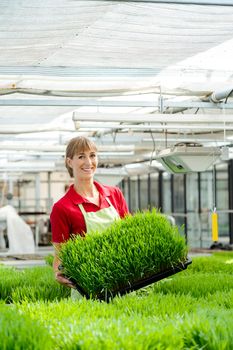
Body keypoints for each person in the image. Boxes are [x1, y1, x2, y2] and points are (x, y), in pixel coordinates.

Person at [50, 136, 129, 292]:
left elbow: (130, 235)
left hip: (124, 281)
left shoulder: (114, 194)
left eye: (92, 155)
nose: (88, 162)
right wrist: (58, 271)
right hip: (88, 287)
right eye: (81, 156)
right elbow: (60, 254)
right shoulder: (61, 208)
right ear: (69, 162)